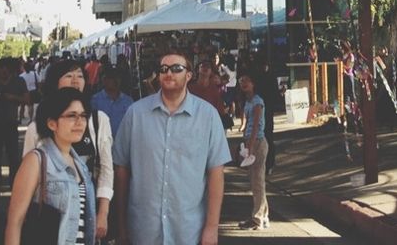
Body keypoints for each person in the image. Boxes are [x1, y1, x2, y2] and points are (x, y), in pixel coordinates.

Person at [112, 51, 231, 245]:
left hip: (189, 230)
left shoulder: (208, 116)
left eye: (177, 68)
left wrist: (212, 227)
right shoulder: (135, 114)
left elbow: (216, 173)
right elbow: (122, 170)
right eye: (163, 69)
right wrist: (121, 226)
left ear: (189, 75)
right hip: (143, 230)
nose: (169, 73)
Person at [22, 59, 113, 241]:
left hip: (88, 215)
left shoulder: (98, 120)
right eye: (69, 76)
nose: (75, 81)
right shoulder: (37, 127)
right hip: (49, 219)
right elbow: (26, 183)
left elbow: (106, 170)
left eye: (80, 76)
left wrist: (102, 213)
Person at [4, 88, 96, 245]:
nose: (80, 122)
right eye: (72, 116)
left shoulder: (81, 165)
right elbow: (15, 221)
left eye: (83, 116)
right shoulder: (36, 161)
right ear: (52, 123)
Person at [0, 57, 29, 199]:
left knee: (13, 157)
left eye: (5, 69)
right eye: (0, 68)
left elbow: (27, 99)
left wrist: (12, 97)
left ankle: (14, 186)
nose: (2, 71)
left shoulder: (19, 82)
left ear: (10, 69)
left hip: (10, 124)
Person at [236, 72, 269, 231]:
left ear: (253, 83)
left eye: (247, 81)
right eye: (241, 81)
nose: (244, 84)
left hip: (257, 142)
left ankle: (257, 219)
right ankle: (264, 216)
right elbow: (247, 124)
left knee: (257, 182)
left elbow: (256, 125)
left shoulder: (257, 101)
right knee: (257, 181)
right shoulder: (247, 102)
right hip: (250, 141)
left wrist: (250, 146)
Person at [93, 68, 135, 138]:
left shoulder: (128, 101)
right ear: (104, 80)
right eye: (111, 78)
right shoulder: (95, 100)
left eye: (117, 78)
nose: (115, 81)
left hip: (124, 142)